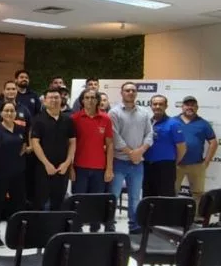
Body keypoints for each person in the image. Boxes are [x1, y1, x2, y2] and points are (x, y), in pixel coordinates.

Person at [108, 82, 153, 233]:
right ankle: (109, 225)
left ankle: (135, 226)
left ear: (136, 93)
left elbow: (149, 134)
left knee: (135, 197)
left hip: (137, 163)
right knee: (113, 196)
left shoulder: (144, 113)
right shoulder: (114, 113)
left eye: (133, 90)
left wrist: (140, 151)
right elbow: (114, 136)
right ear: (122, 93)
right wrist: (131, 153)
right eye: (127, 90)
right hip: (118, 161)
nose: (130, 92)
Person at [70, 89, 113, 231]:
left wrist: (109, 168)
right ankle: (77, 228)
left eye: (93, 97)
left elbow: (110, 144)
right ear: (82, 100)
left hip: (99, 168)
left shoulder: (106, 119)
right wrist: (70, 168)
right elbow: (69, 145)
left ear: (97, 100)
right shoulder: (74, 119)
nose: (90, 100)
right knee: (79, 201)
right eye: (87, 97)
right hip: (79, 167)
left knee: (96, 201)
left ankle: (95, 229)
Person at [0, 101, 27, 245]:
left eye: (12, 111)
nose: (9, 113)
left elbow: (24, 145)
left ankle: (16, 234)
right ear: (1, 113)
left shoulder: (20, 129)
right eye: (6, 111)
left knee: (18, 205)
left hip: (18, 173)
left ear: (16, 113)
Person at [31, 88, 76, 211]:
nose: (54, 100)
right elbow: (35, 143)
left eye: (56, 97)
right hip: (43, 168)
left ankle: (57, 223)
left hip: (62, 168)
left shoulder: (68, 120)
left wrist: (67, 163)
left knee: (59, 202)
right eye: (50, 98)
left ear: (61, 100)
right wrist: (47, 164)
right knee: (42, 202)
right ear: (45, 101)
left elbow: (72, 142)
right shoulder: (38, 120)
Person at [175, 96, 218, 206]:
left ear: (197, 107)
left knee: (198, 194)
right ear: (182, 107)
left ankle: (196, 215)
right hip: (175, 164)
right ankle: (172, 214)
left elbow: (213, 142)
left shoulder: (203, 124)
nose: (190, 107)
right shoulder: (172, 121)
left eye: (193, 105)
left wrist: (206, 162)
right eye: (187, 105)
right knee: (171, 192)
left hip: (196, 165)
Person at [144, 95, 186, 197]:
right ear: (151, 106)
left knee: (165, 197)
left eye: (161, 104)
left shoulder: (174, 123)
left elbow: (182, 147)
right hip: (147, 165)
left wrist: (174, 162)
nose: (157, 106)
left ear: (166, 106)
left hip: (166, 166)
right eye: (155, 104)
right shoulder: (147, 123)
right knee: (148, 196)